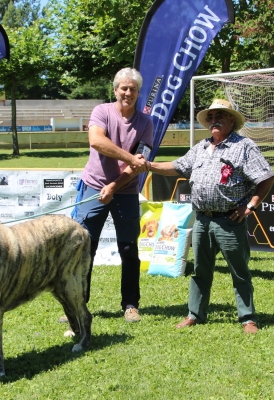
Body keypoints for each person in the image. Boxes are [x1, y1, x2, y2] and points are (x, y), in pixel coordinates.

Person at [148, 99, 274, 334]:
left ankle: (248, 319)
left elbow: (266, 177)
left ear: (231, 121)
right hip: (202, 220)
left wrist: (252, 204)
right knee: (200, 271)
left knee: (239, 271)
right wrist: (147, 165)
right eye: (211, 117)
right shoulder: (201, 147)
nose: (214, 121)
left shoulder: (244, 146)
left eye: (220, 116)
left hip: (230, 220)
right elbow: (177, 166)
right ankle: (195, 315)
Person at [71, 67, 153, 323]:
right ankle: (77, 304)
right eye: (124, 88)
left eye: (133, 89)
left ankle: (130, 305)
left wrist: (114, 187)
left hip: (125, 191)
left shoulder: (146, 123)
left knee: (128, 248)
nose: (128, 93)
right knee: (84, 248)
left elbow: (140, 164)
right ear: (115, 89)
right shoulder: (101, 111)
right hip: (92, 186)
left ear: (139, 93)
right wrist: (129, 157)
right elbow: (97, 141)